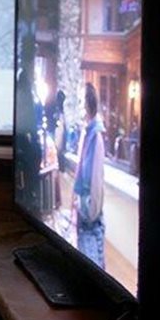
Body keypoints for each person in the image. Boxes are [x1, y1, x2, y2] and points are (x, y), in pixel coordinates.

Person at [71, 82, 106, 269]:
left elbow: (96, 180)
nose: (78, 105)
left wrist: (90, 211)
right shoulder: (88, 132)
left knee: (92, 267)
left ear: (87, 103)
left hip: (89, 214)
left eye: (79, 100)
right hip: (84, 208)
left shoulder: (95, 136)